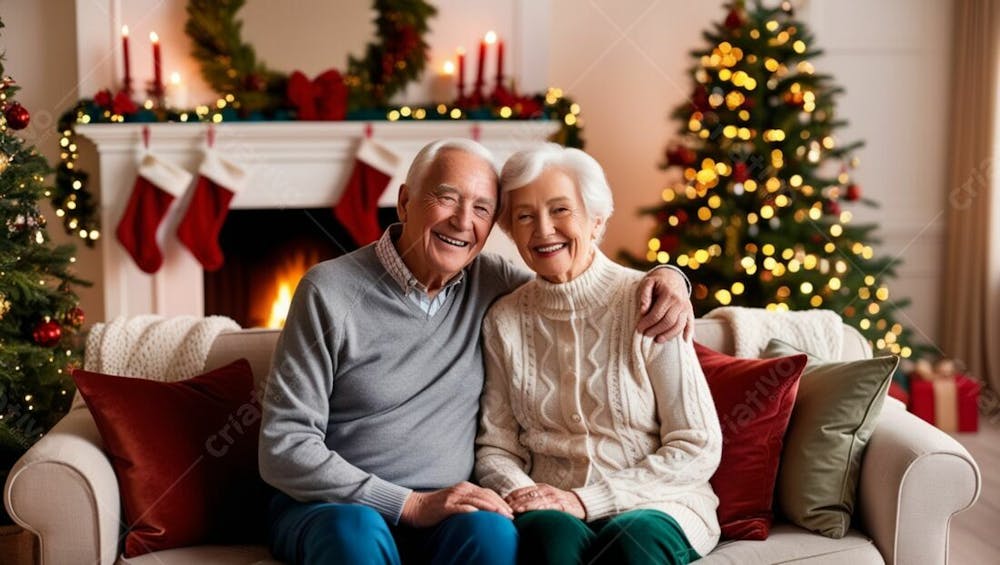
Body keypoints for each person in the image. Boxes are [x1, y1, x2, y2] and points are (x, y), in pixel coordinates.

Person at [259, 138, 695, 565]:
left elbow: (573, 287)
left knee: (491, 532)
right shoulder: (328, 291)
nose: (462, 221)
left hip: (452, 510)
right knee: (354, 533)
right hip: (334, 508)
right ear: (406, 201)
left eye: (482, 209)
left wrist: (670, 278)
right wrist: (408, 504)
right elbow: (284, 445)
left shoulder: (494, 284)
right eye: (447, 199)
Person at [476, 144, 722, 565]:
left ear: (596, 220)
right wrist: (526, 493)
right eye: (524, 216)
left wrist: (587, 500)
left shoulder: (648, 300)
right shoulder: (504, 319)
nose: (543, 230)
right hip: (552, 508)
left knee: (631, 542)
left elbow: (697, 443)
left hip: (658, 504)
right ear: (509, 231)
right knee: (550, 539)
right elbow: (496, 446)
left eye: (560, 210)